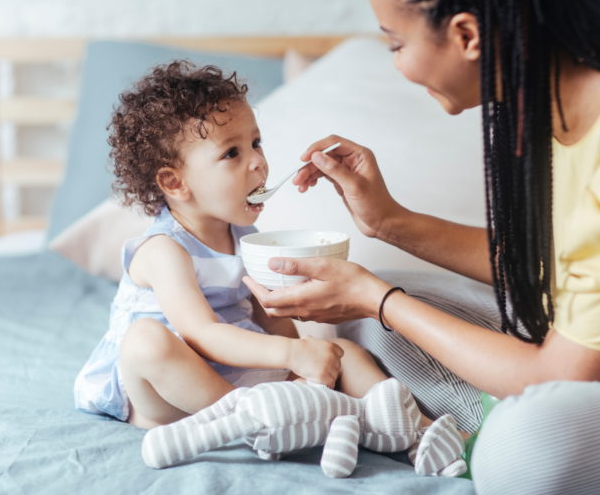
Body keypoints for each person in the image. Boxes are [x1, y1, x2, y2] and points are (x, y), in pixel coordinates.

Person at [242, 0, 600, 493]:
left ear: (467, 35)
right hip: (594, 350)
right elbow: (546, 267)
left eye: (395, 44)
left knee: (521, 445)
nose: (397, 63)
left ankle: (488, 419)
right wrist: (385, 222)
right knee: (365, 321)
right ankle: (483, 402)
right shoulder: (550, 94)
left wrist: (378, 299)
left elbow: (564, 374)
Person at [72, 61, 403, 432]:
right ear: (174, 182)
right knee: (145, 342)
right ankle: (256, 422)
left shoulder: (246, 238)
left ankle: (416, 431)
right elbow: (203, 333)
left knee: (346, 355)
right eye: (232, 153)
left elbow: (269, 315)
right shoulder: (163, 250)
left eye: (256, 143)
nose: (259, 163)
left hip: (237, 378)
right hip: (170, 394)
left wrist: (302, 363)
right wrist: (291, 354)